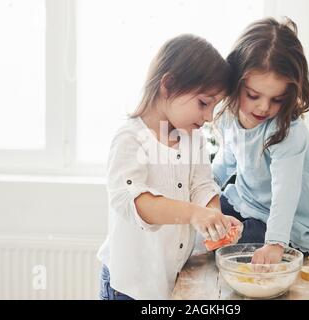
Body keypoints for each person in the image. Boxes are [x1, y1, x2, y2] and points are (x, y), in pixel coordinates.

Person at [97, 34, 242, 300]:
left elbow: (201, 184)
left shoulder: (192, 138)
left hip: (172, 279)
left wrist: (215, 220)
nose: (209, 117)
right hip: (130, 287)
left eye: (214, 107)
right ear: (168, 85)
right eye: (204, 103)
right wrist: (194, 214)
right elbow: (134, 202)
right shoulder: (131, 139)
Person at [212, 17, 309, 265]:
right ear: (236, 82)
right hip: (246, 203)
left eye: (277, 99)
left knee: (234, 244)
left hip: (291, 225)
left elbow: (284, 194)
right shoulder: (231, 117)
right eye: (253, 95)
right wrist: (202, 198)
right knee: (204, 222)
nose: (264, 107)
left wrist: (275, 243)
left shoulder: (287, 132)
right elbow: (224, 166)